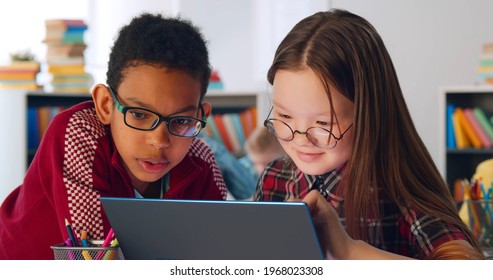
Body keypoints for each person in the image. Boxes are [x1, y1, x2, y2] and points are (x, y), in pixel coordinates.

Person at [254, 9, 484, 259]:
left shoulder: (399, 189)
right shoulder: (274, 178)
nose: (300, 139)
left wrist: (349, 251)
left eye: (323, 123)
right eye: (285, 117)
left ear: (369, 114)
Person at [0, 13, 227, 259]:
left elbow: (210, 259)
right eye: (139, 115)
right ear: (106, 105)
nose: (159, 140)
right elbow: (98, 261)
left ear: (201, 115)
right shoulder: (79, 134)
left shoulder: (203, 164)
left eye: (181, 120)